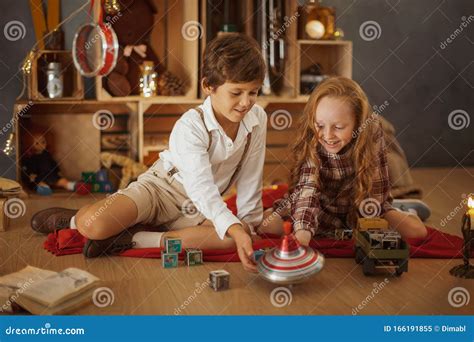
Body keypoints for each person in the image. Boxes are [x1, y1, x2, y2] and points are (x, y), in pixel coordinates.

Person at [30, 33, 267, 272]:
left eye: (253, 92)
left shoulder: (257, 119)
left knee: (236, 234)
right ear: (208, 86)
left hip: (196, 209)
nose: (246, 102)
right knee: (92, 224)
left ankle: (131, 238)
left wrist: (249, 227)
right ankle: (73, 220)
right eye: (236, 93)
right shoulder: (191, 126)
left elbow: (250, 177)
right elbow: (201, 186)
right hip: (160, 190)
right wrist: (235, 227)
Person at [260, 76, 428, 245]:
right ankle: (321, 230)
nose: (327, 135)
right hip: (320, 206)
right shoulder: (313, 138)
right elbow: (307, 190)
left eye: (338, 127)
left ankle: (406, 209)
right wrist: (302, 234)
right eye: (320, 125)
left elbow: (376, 193)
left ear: (358, 122)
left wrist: (367, 225)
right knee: (267, 224)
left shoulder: (372, 132)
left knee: (417, 232)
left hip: (361, 205)